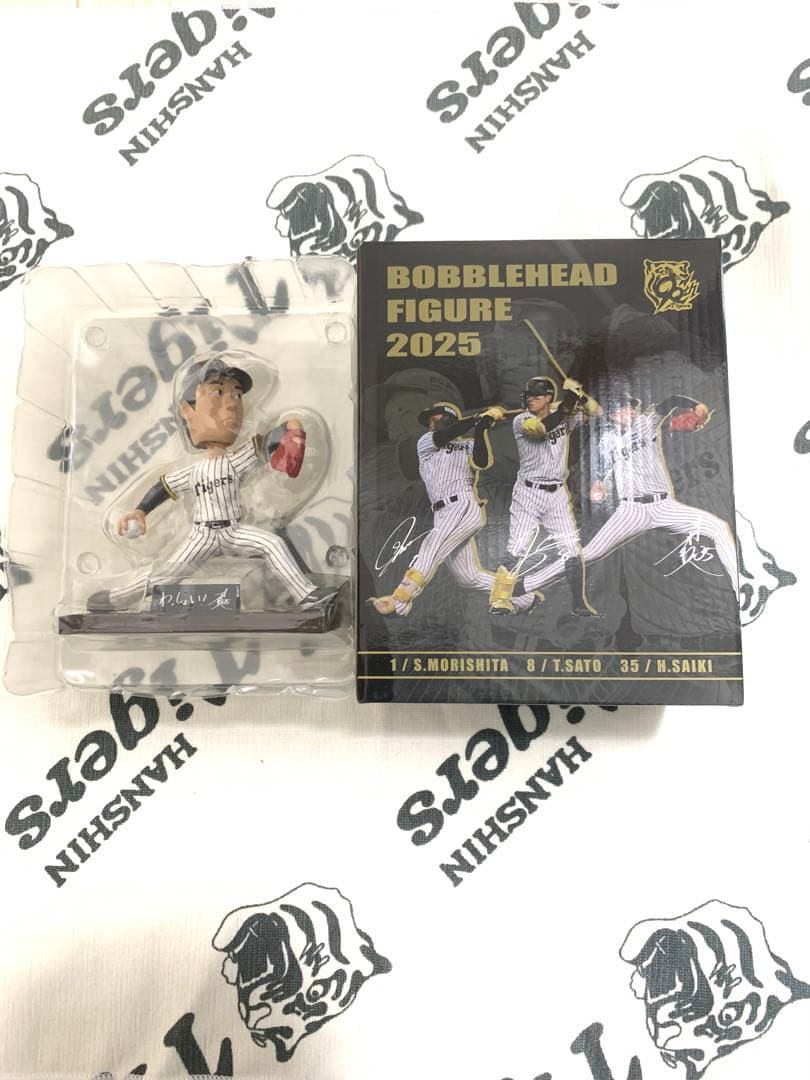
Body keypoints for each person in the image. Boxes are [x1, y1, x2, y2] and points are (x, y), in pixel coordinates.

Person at [87, 353, 333, 612]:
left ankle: (307, 595)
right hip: (201, 536)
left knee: (272, 543)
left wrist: (291, 426)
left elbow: (267, 443)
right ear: (187, 410)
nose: (232, 404)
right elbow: (163, 488)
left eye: (237, 395)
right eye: (218, 393)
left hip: (233, 531)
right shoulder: (193, 471)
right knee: (165, 575)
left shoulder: (236, 460)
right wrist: (140, 510)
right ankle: (118, 599)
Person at [522, 391, 739, 599]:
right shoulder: (607, 440)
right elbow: (601, 467)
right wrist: (598, 483)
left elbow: (670, 401)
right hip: (631, 511)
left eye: (632, 408)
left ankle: (741, 588)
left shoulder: (645, 423)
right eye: (626, 408)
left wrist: (695, 406)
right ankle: (525, 585)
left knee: (718, 527)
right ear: (613, 415)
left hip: (664, 505)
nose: (632, 411)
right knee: (590, 553)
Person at [368, 402, 536, 616]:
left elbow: (482, 461)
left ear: (448, 419)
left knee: (432, 546)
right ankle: (525, 598)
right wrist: (477, 418)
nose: (430, 425)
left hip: (461, 505)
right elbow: (443, 436)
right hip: (441, 512)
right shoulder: (426, 443)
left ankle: (400, 602)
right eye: (429, 422)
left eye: (434, 420)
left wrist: (482, 427)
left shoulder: (466, 445)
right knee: (469, 578)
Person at [489, 375, 601, 616]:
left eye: (536, 396)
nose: (530, 399)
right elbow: (542, 428)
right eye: (528, 396)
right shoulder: (521, 420)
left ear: (548, 398)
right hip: (528, 493)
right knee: (517, 547)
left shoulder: (564, 415)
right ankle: (499, 600)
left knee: (572, 549)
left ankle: (578, 604)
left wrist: (580, 396)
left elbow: (597, 413)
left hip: (557, 494)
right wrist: (568, 402)